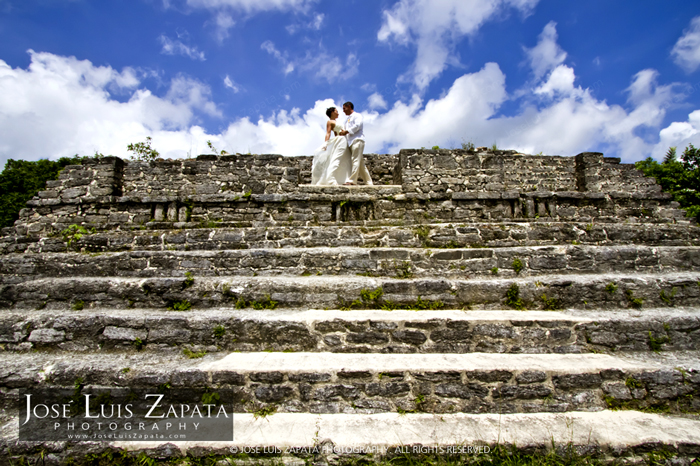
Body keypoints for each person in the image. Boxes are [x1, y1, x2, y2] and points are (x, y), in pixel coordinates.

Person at [311, 107, 352, 185]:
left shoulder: (338, 121)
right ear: (332, 112)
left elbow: (336, 134)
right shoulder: (330, 122)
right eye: (336, 111)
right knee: (337, 159)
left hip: (345, 140)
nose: (338, 113)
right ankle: (330, 178)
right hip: (341, 140)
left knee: (345, 160)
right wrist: (325, 144)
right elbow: (328, 133)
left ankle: (344, 179)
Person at [338, 101, 372, 186]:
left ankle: (352, 180)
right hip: (350, 142)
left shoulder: (357, 115)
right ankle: (369, 182)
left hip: (357, 140)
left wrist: (346, 131)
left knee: (355, 160)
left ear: (349, 107)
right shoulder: (346, 120)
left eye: (344, 108)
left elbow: (358, 125)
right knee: (360, 163)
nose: (343, 111)